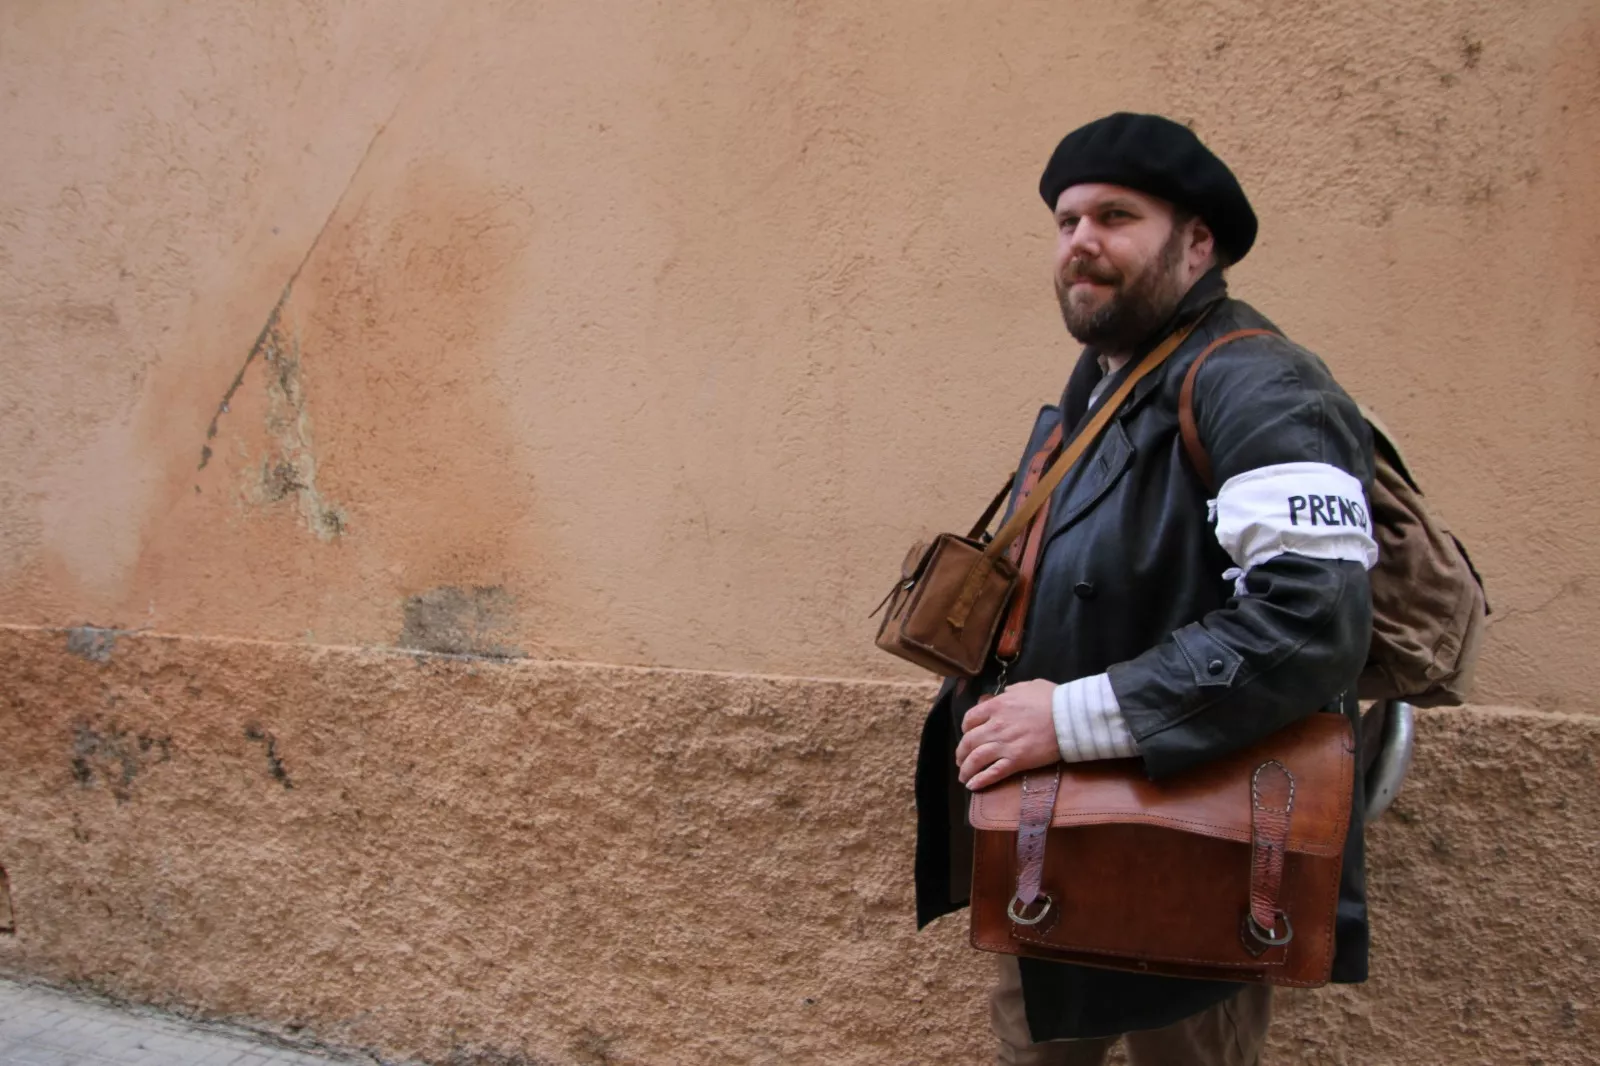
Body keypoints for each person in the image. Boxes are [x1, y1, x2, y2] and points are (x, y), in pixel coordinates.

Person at [911, 112, 1379, 1065]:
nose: (1080, 241)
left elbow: (1312, 619)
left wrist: (1072, 716)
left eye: (1115, 216)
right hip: (1056, 838)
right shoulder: (1104, 385)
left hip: (1194, 862)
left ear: (1196, 243)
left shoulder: (1261, 381)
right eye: (1066, 220)